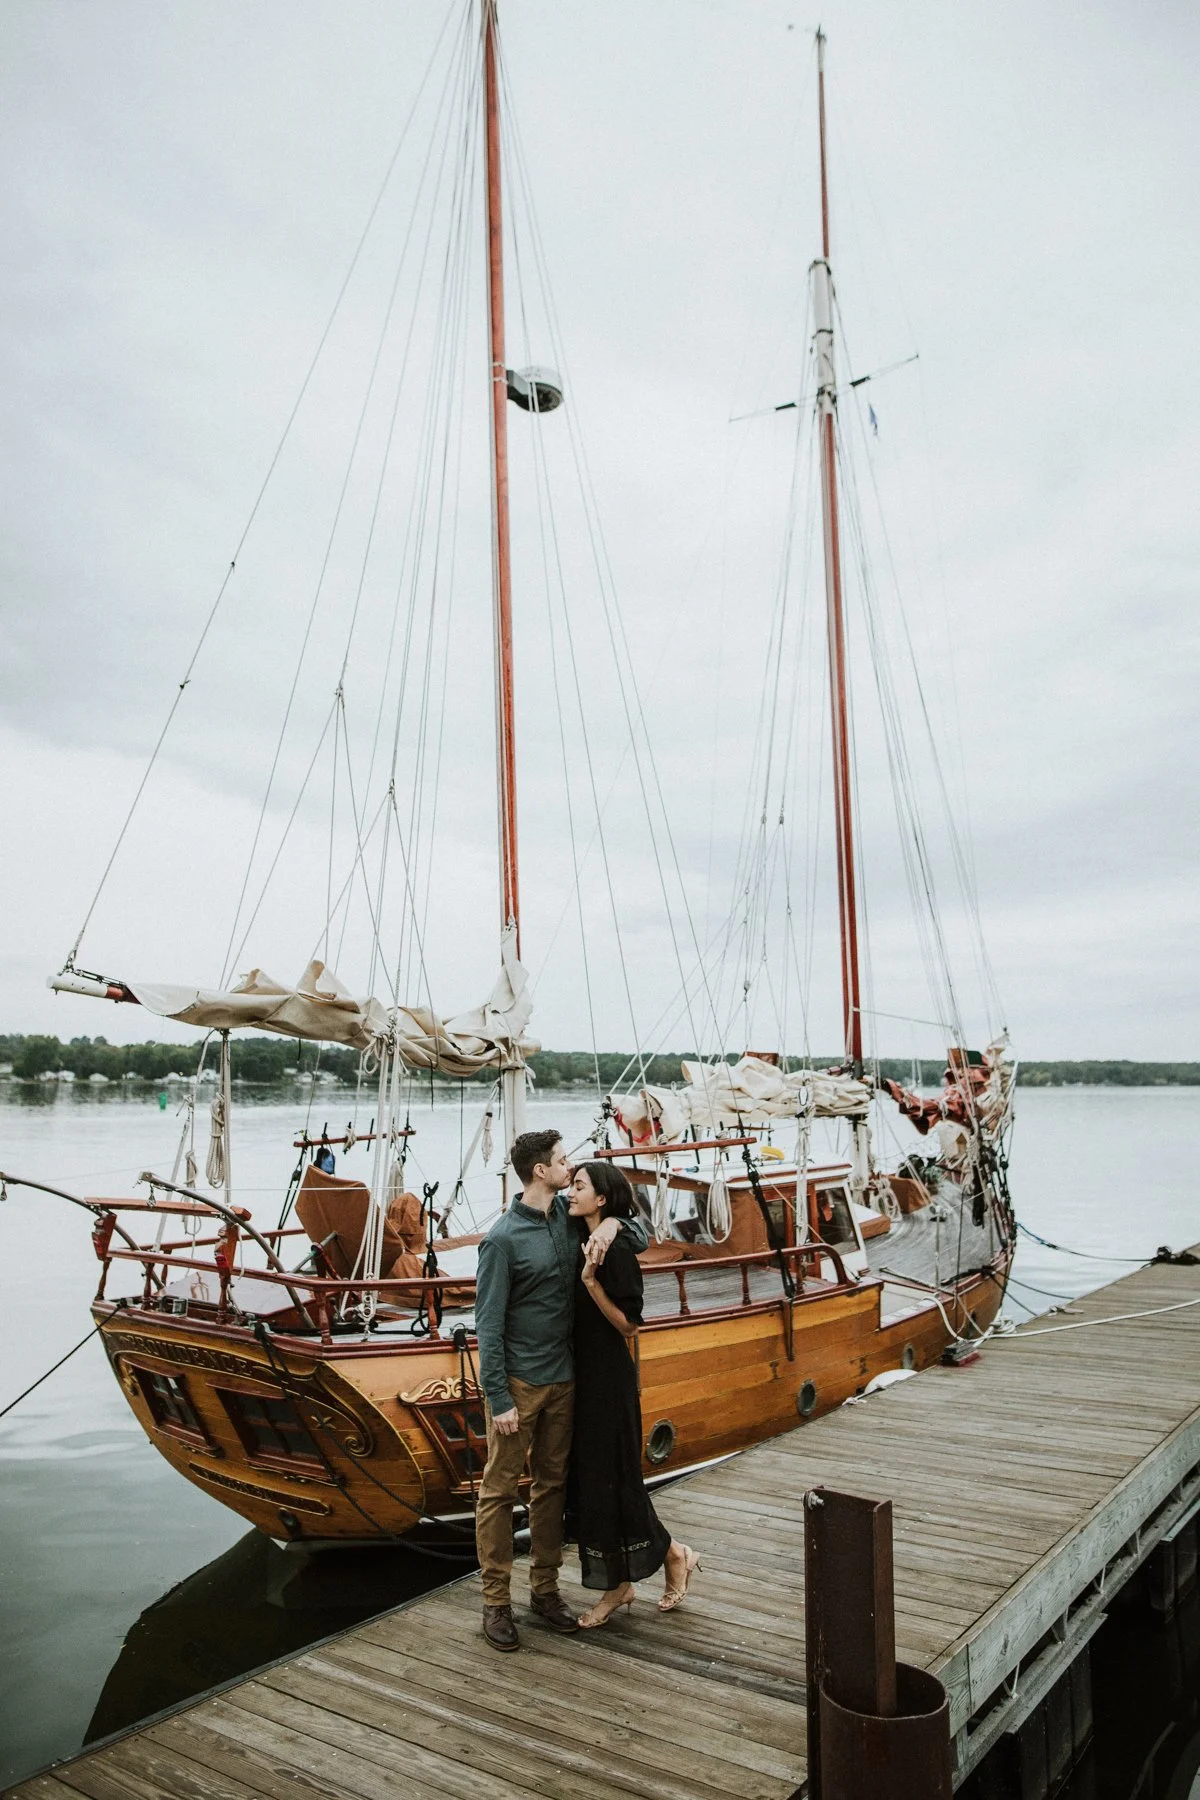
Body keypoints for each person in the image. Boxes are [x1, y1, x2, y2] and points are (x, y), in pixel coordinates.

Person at [473, 1128, 649, 1652]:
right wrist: (499, 1397)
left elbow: (639, 1235)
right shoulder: (501, 1240)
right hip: (520, 1385)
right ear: (540, 1172)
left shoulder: (567, 1219)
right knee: (499, 1490)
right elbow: (488, 1323)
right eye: (561, 1161)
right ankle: (495, 1602)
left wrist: (615, 1222)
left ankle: (544, 1592)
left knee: (551, 1489)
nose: (570, 1167)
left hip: (566, 1379)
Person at [566, 1160, 701, 1627]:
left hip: (607, 1377)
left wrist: (589, 1281)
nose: (570, 1191)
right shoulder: (585, 1232)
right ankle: (668, 1556)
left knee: (612, 1478)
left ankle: (621, 1583)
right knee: (597, 1480)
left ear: (601, 1198)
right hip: (580, 1374)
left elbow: (629, 1325)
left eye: (578, 1186)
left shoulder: (615, 1247)